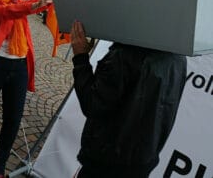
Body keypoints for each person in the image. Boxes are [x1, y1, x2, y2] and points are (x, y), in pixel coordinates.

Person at [71, 21, 187, 178]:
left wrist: (80, 58)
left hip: (106, 164)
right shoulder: (178, 58)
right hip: (140, 165)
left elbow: (93, 104)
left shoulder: (125, 53)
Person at [0, 0, 52, 178]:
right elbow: (12, 12)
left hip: (19, 66)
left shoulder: (16, 2)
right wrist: (37, 4)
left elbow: (25, 7)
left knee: (13, 119)